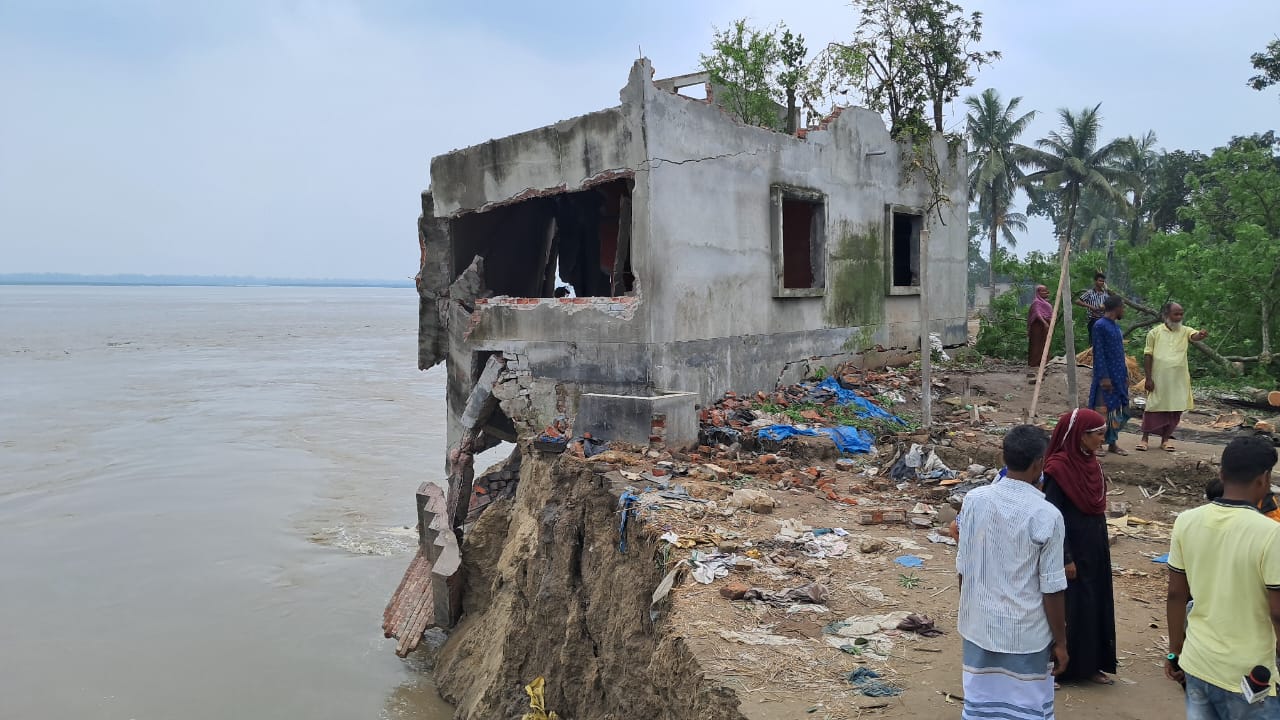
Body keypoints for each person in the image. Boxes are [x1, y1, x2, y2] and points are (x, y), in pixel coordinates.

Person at [957, 424, 1068, 719]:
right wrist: (1061, 641)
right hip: (1026, 633)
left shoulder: (974, 500)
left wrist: (971, 610)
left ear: (1003, 457)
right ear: (1039, 464)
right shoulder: (1047, 514)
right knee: (1026, 709)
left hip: (979, 625)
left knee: (981, 707)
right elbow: (1052, 587)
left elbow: (963, 567)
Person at [1165, 436, 1280, 718]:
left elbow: (1176, 594)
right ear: (1264, 479)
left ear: (1221, 473)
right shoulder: (1271, 534)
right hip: (1251, 674)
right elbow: (1277, 612)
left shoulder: (1186, 521)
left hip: (1197, 662)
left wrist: (1174, 653)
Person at [1042, 408, 1118, 686]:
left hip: (1094, 546)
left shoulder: (1091, 463)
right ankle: (1062, 667)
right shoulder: (1058, 469)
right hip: (1071, 548)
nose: (1103, 438)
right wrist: (1065, 557)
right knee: (1071, 607)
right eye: (1098, 433)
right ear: (1080, 435)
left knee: (1094, 603)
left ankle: (1090, 665)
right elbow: (1052, 516)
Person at [1138, 302, 1209, 452]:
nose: (1179, 317)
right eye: (1176, 314)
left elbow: (1194, 336)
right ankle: (1144, 439)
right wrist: (1148, 378)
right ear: (1166, 315)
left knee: (1175, 409)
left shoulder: (1185, 330)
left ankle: (1165, 440)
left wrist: (1201, 335)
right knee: (1153, 407)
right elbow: (1148, 355)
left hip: (1179, 380)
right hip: (1159, 379)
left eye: (1181, 314)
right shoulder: (1154, 333)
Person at [1090, 295, 1130, 456]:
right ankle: (1098, 445)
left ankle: (1112, 443)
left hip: (1119, 375)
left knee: (1119, 411)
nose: (1124, 311)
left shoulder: (1116, 327)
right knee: (1102, 411)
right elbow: (1098, 352)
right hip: (1106, 375)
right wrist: (1104, 377)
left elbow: (1120, 353)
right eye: (1123, 307)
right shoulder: (1100, 326)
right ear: (1117, 308)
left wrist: (1125, 375)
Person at [1075, 272, 1111, 340]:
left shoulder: (1105, 294)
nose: (1101, 283)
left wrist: (1104, 307)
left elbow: (1110, 305)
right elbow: (1078, 301)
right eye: (1100, 281)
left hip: (1103, 319)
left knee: (1103, 339)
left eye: (1103, 281)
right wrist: (1090, 306)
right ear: (1095, 281)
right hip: (1093, 319)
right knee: (1094, 339)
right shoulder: (1090, 293)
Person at [1028, 285, 1053, 370]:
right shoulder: (1036, 302)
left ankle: (1044, 361)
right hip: (1038, 325)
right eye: (1043, 291)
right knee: (1036, 343)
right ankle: (1034, 362)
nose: (1046, 292)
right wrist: (1044, 322)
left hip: (1046, 325)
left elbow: (1049, 314)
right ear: (1038, 292)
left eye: (1046, 291)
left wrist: (1049, 322)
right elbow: (1037, 313)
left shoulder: (1046, 303)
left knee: (1045, 342)